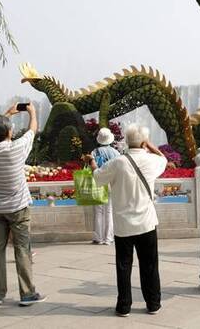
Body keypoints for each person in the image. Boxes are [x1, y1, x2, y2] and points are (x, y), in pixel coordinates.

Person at [85, 124, 167, 317]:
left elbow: (97, 178)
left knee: (123, 266)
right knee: (150, 265)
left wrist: (92, 163)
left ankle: (124, 306)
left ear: (126, 141)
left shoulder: (118, 162)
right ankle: (153, 303)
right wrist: (151, 146)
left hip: (123, 224)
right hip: (146, 222)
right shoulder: (151, 161)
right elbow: (163, 159)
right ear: (144, 142)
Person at [0, 103, 46, 306]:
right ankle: (27, 293)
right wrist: (32, 113)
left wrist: (8, 113)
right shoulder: (17, 148)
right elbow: (32, 130)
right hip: (18, 209)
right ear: (10, 132)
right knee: (22, 249)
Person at [91, 127, 120, 245]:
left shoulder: (94, 152)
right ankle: (108, 238)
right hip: (112, 183)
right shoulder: (116, 152)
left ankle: (98, 237)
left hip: (98, 182)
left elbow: (91, 168)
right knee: (109, 211)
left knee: (98, 211)